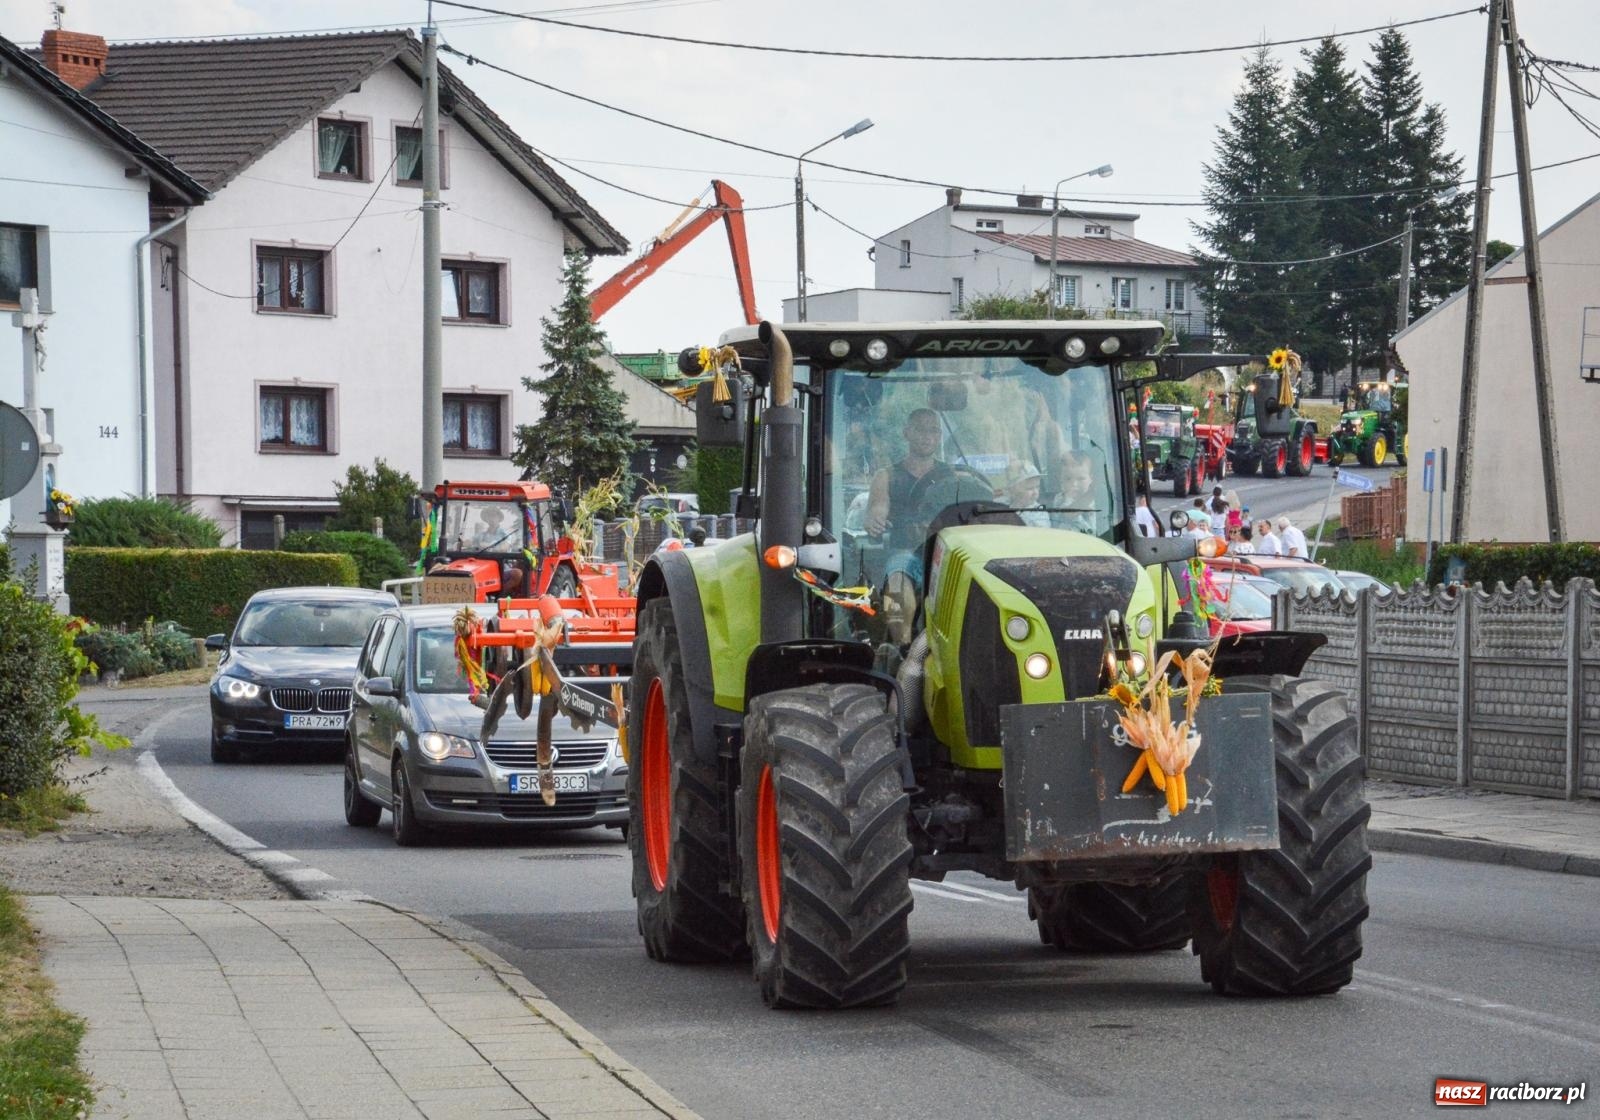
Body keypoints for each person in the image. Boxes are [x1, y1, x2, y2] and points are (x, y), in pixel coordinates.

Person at [1004, 461, 1050, 528]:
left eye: (1037, 487)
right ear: (1014, 490)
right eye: (1030, 488)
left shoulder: (1039, 511)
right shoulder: (1004, 506)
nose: (1035, 492)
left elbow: (1041, 533)